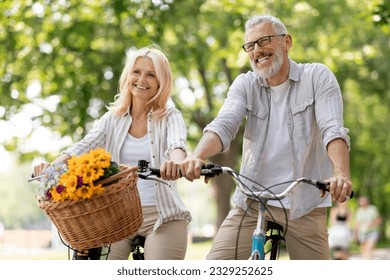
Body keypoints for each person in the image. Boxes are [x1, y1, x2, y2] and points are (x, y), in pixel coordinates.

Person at [180, 14, 353, 260]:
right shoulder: (245, 84)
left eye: (264, 41)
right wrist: (196, 155)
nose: (257, 50)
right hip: (252, 201)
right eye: (250, 46)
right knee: (215, 265)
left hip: (304, 203)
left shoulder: (317, 77)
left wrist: (341, 174)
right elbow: (224, 124)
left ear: (286, 42)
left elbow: (332, 129)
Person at [33, 46, 191, 260]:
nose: (141, 79)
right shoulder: (113, 118)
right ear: (128, 75)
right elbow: (84, 146)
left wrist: (177, 164)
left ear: (161, 82)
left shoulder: (170, 116)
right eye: (136, 71)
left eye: (151, 74)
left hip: (163, 215)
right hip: (117, 215)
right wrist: (53, 166)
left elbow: (177, 144)